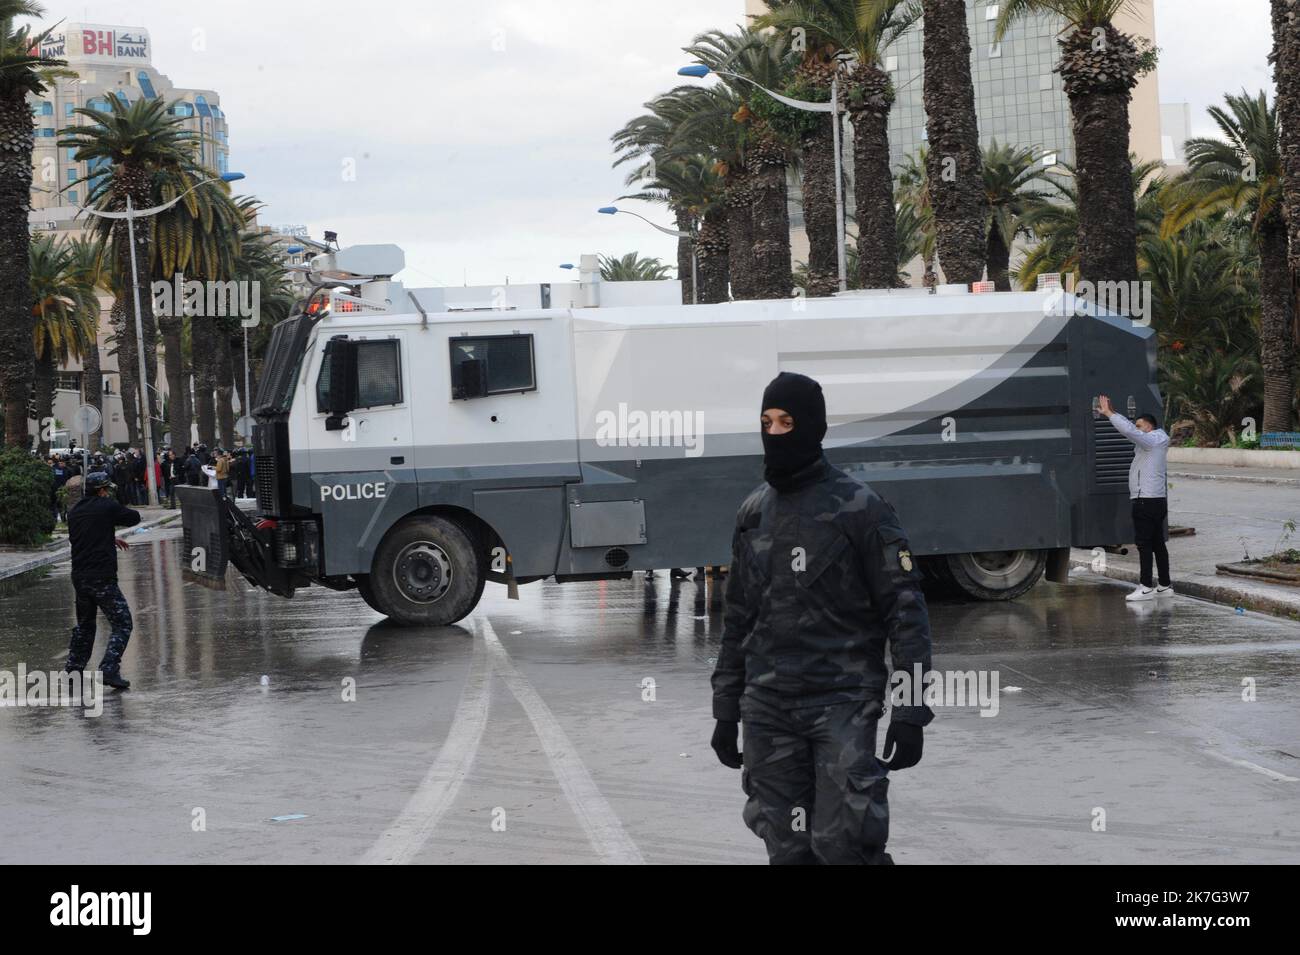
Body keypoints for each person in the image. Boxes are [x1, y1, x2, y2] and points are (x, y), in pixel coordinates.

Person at [710, 372, 933, 865]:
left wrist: (911, 711)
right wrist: (726, 707)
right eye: (767, 422)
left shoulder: (862, 509)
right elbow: (739, 619)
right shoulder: (753, 513)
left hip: (842, 703)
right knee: (787, 848)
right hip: (767, 707)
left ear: (814, 427)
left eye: (787, 421)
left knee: (844, 843)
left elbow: (906, 615)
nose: (775, 432)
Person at [65, 471, 141, 690]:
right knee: (123, 623)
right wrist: (115, 504)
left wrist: (109, 537)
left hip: (79, 577)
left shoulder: (75, 511)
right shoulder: (106, 506)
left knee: (85, 626)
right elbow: (133, 517)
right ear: (102, 490)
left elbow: (85, 535)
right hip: (101, 577)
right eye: (107, 490)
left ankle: (73, 671)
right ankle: (109, 668)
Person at [1098, 395, 1173, 600]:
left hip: (1145, 501)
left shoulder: (1152, 442)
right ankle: (1165, 585)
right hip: (1155, 500)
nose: (1136, 428)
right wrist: (1114, 412)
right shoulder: (1153, 442)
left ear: (1149, 427)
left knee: (1144, 544)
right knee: (1157, 543)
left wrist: (1110, 414)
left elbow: (1129, 431)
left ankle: (1146, 586)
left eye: (1140, 425)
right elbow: (1131, 430)